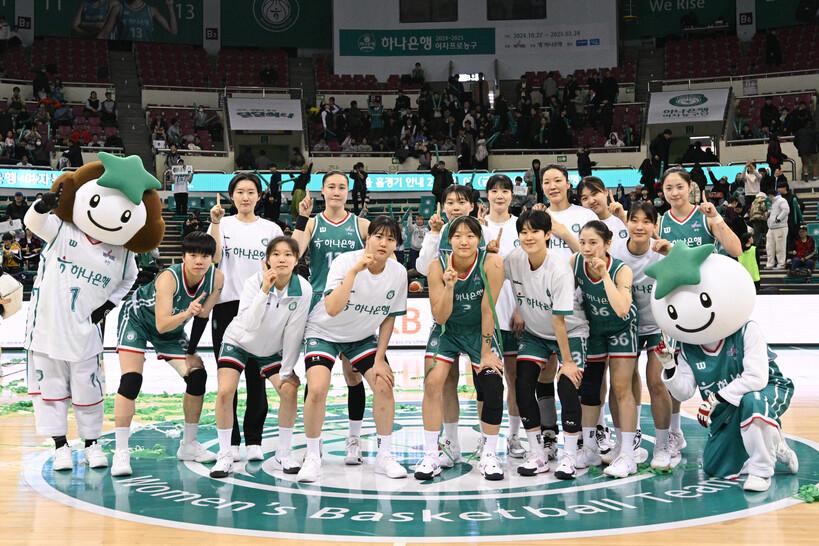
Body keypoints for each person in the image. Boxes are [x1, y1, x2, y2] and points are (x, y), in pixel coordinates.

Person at [24, 155, 162, 473]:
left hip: (86, 330)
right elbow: (34, 223)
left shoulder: (123, 253)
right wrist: (42, 207)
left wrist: (108, 305)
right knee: (50, 391)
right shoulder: (64, 229)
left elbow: (129, 279)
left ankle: (92, 444)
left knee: (89, 387)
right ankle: (60, 446)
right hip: (45, 328)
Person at [649, 243, 798, 492]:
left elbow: (756, 379)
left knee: (753, 401)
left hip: (769, 389)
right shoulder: (687, 345)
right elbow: (683, 393)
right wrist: (669, 365)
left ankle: (761, 470)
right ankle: (776, 443)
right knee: (715, 465)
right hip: (726, 403)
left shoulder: (747, 329)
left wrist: (714, 399)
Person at [298, 217, 409, 482]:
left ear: (396, 245)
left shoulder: (398, 273)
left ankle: (384, 455)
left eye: (390, 239)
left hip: (361, 337)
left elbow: (389, 317)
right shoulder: (345, 262)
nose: (383, 243)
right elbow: (332, 308)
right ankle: (312, 456)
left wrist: (380, 358)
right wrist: (353, 273)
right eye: (378, 236)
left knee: (384, 384)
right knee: (317, 388)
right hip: (323, 331)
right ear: (367, 238)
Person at [112, 232, 225, 476]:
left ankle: (189, 445)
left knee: (197, 376)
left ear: (212, 258)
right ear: (183, 256)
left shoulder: (216, 278)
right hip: (138, 321)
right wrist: (186, 313)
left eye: (205, 256)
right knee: (131, 380)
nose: (199, 261)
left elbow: (203, 317)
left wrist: (191, 352)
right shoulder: (168, 278)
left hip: (172, 329)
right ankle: (121, 452)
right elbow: (162, 324)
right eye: (193, 255)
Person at [210, 237, 312, 478]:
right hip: (238, 342)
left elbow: (294, 331)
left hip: (269, 350)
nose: (281, 259)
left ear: (296, 259)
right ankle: (225, 454)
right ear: (266, 260)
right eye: (276, 254)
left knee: (289, 390)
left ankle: (283, 453)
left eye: (288, 254)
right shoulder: (254, 282)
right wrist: (265, 289)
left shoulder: (303, 289)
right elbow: (249, 323)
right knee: (225, 391)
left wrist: (287, 369)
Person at [415, 215, 505, 481]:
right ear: (449, 240)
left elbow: (488, 310)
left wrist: (486, 353)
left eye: (470, 236)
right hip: (448, 331)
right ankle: (434, 453)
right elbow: (440, 316)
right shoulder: (437, 266)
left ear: (479, 239)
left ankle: (489, 453)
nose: (464, 241)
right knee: (433, 383)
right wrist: (450, 287)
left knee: (492, 385)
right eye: (457, 236)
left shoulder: (492, 262)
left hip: (479, 330)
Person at [292, 171, 371, 465]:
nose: (336, 191)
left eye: (341, 187)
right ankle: (313, 442)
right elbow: (294, 253)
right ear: (322, 191)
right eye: (331, 187)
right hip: (318, 306)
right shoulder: (313, 223)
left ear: (348, 192)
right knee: (316, 381)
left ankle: (354, 439)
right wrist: (302, 218)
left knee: (353, 375)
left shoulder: (361, 225)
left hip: (353, 305)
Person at [206, 174, 283, 461]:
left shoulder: (271, 228)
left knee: (257, 376)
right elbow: (214, 258)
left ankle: (254, 440)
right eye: (240, 192)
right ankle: (231, 442)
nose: (245, 197)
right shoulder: (222, 224)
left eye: (251, 192)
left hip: (261, 305)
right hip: (226, 306)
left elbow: (280, 264)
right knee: (228, 379)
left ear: (259, 196)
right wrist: (215, 223)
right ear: (232, 196)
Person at [505, 210, 587, 479]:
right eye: (523, 232)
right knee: (523, 383)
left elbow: (558, 320)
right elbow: (491, 271)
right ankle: (537, 452)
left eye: (535, 232)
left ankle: (570, 455)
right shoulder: (514, 259)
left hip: (570, 331)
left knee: (567, 384)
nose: (528, 237)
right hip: (535, 333)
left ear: (548, 235)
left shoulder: (559, 268)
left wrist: (568, 362)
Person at [572, 221, 640, 478]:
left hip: (622, 327)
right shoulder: (575, 262)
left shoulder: (622, 270)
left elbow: (622, 308)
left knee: (621, 388)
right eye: (583, 242)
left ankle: (627, 454)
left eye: (593, 243)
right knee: (590, 387)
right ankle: (590, 448)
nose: (587, 248)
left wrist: (604, 277)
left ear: (607, 244)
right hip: (594, 329)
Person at [616, 202, 679, 469]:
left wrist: (673, 253)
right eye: (634, 220)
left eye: (646, 221)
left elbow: (693, 269)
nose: (640, 226)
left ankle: (663, 445)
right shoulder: (616, 252)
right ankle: (630, 439)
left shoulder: (663, 252)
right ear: (627, 222)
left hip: (657, 327)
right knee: (625, 383)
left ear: (655, 225)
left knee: (656, 381)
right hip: (626, 326)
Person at [481, 174, 526, 459]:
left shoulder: (521, 226)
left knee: (514, 377)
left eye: (505, 190)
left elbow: (525, 269)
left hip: (513, 312)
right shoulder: (478, 226)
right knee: (485, 379)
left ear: (512, 195)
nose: (499, 195)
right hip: (486, 314)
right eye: (494, 190)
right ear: (487, 195)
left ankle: (514, 435)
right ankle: (485, 439)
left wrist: (521, 306)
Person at [578, 177, 628, 258]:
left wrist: (624, 219)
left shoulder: (625, 217)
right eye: (585, 198)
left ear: (605, 192)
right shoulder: (581, 226)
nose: (591, 201)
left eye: (594, 194)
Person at [98, 0, 178, 41]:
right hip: (125, 50)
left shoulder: (151, 10)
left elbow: (173, 30)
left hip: (145, 51)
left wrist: (170, 6)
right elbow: (104, 34)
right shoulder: (118, 9)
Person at [766, 186, 790, 269]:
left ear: (771, 195)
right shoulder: (772, 203)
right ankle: (770, 263)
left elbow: (786, 210)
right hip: (771, 228)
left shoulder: (782, 200)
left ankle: (781, 263)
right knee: (769, 247)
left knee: (780, 247)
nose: (768, 197)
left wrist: (778, 219)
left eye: (768, 196)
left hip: (780, 227)